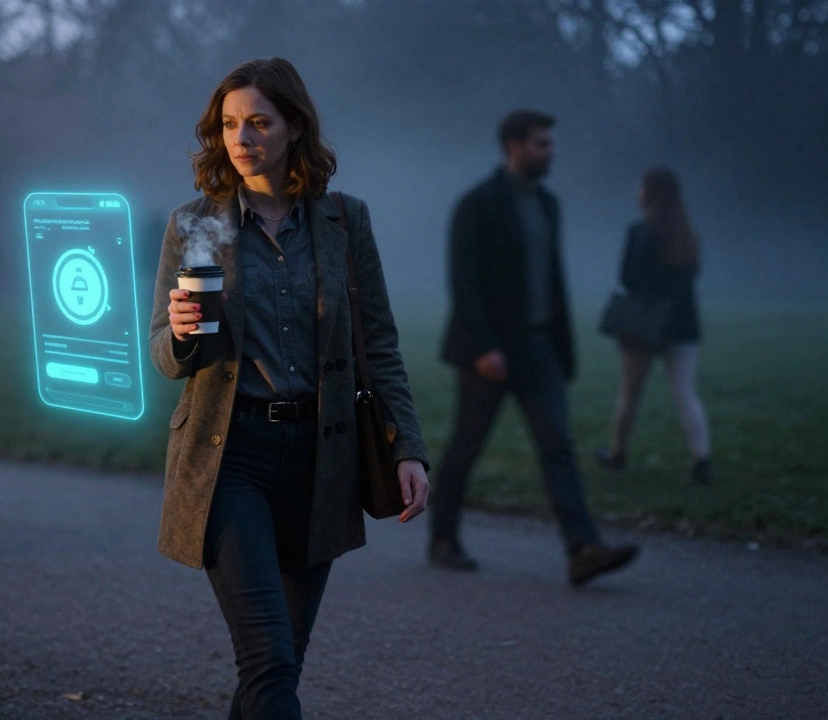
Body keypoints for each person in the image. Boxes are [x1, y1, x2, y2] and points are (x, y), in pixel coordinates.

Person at [149, 57, 430, 719]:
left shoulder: (343, 221)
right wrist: (184, 334)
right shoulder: (197, 223)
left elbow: (379, 346)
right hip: (229, 458)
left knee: (275, 671)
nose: (241, 138)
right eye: (229, 124)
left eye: (258, 122)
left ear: (294, 126)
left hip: (319, 462)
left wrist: (407, 447)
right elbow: (164, 355)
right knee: (269, 661)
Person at [429, 110, 638, 586]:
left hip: (540, 349)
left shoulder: (547, 204)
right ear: (513, 146)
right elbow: (464, 284)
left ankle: (582, 548)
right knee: (467, 446)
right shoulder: (478, 204)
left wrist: (562, 348)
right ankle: (443, 539)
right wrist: (484, 346)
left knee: (558, 446)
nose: (550, 153)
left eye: (550, 144)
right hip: (490, 353)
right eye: (541, 144)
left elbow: (552, 279)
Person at [594, 168, 711, 484]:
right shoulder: (688, 237)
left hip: (644, 324)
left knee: (630, 394)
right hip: (683, 323)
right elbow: (689, 278)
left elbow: (628, 277)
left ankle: (618, 454)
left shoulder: (639, 231)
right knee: (686, 394)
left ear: (649, 192)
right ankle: (702, 459)